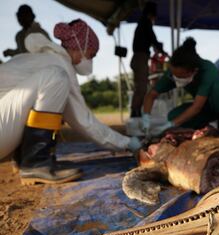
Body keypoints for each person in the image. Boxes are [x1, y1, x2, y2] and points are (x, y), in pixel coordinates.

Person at [0, 19, 141, 185]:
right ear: (80, 47)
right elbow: (84, 121)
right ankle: (35, 163)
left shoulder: (45, 59)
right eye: (91, 54)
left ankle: (28, 159)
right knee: (55, 76)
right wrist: (129, 143)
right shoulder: (59, 64)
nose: (91, 60)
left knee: (51, 89)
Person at [142, 38, 219, 137]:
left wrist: (171, 124)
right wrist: (146, 118)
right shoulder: (174, 71)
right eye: (173, 74)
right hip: (205, 107)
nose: (175, 78)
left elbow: (196, 107)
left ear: (194, 71)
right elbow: (151, 95)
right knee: (174, 116)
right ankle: (200, 133)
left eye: (180, 75)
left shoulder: (208, 70)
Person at [130, 2, 164, 118]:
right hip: (140, 58)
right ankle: (135, 112)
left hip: (138, 58)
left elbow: (150, 40)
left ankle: (135, 112)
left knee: (140, 86)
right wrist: (162, 51)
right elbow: (153, 39)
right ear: (151, 14)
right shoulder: (146, 22)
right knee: (141, 87)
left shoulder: (141, 23)